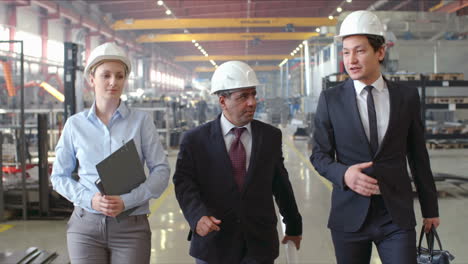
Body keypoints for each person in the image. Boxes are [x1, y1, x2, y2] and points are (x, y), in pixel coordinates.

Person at [310, 10, 440, 264]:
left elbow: (417, 156)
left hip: (396, 215)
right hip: (349, 216)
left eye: (360, 51)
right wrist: (344, 174)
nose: (351, 60)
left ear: (380, 52)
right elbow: (319, 155)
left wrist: (430, 209)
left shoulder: (406, 97)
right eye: (346, 52)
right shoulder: (331, 100)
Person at [51, 42, 170, 264]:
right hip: (85, 226)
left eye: (119, 76)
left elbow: (161, 171)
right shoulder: (74, 125)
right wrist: (90, 199)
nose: (113, 82)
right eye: (105, 75)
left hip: (131, 227)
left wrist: (128, 200)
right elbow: (58, 176)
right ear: (91, 79)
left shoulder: (141, 122)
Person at [173, 61, 302, 264]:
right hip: (214, 242)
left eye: (253, 94)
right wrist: (197, 217)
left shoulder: (270, 136)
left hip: (258, 243)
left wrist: (294, 225)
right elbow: (184, 183)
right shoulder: (195, 140)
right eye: (243, 96)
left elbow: (280, 183)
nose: (252, 102)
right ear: (222, 101)